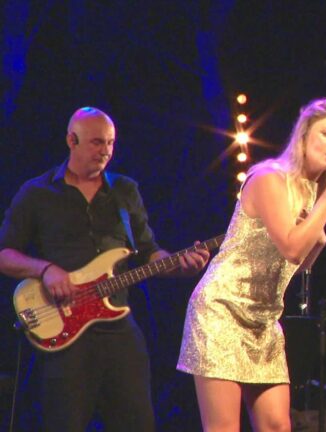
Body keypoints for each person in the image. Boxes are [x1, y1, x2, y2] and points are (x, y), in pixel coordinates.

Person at [0, 106, 211, 431]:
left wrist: (177, 266)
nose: (106, 151)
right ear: (71, 140)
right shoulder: (36, 192)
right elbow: (5, 254)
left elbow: (148, 252)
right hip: (62, 328)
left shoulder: (125, 191)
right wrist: (45, 270)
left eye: (111, 143)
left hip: (119, 330)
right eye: (97, 142)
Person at [176, 98, 326, 431]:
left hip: (263, 320)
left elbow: (296, 265)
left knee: (277, 425)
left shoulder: (311, 192)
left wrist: (316, 243)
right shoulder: (269, 178)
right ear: (303, 137)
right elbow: (290, 248)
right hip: (222, 311)